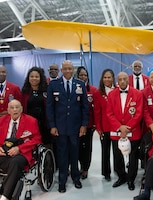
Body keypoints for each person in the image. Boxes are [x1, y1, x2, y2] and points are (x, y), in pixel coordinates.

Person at [0, 99, 41, 200]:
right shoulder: (0, 121)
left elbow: (36, 139)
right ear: (8, 110)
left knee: (15, 163)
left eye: (17, 107)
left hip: (19, 154)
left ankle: (6, 197)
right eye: (12, 107)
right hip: (0, 153)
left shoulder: (31, 121)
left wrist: (19, 148)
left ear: (21, 109)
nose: (15, 109)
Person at [46, 60, 89, 193]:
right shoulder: (53, 85)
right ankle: (62, 181)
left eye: (70, 68)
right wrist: (52, 125)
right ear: (61, 70)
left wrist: (84, 125)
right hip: (60, 127)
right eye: (65, 69)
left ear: (73, 70)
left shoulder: (80, 84)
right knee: (62, 154)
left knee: (75, 153)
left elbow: (85, 107)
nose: (68, 71)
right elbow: (50, 107)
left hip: (76, 127)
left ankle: (76, 177)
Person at [107, 72, 143, 191]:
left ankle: (131, 179)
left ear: (128, 80)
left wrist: (127, 128)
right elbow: (109, 113)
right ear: (117, 81)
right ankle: (121, 176)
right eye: (120, 79)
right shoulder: (111, 94)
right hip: (116, 131)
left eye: (124, 79)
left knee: (133, 157)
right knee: (117, 156)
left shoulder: (137, 94)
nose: (122, 81)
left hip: (133, 131)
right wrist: (120, 127)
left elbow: (138, 113)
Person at [76, 66, 98, 179]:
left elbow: (95, 109)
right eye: (81, 75)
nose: (83, 77)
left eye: (85, 75)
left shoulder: (93, 90)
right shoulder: (73, 88)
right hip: (75, 124)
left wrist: (95, 124)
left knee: (87, 147)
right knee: (78, 147)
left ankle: (85, 168)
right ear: (77, 76)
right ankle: (80, 166)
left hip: (89, 125)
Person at [94, 69, 116, 181]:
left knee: (118, 151)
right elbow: (97, 112)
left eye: (109, 77)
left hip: (116, 126)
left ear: (113, 78)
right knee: (105, 150)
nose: (107, 79)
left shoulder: (117, 90)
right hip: (105, 127)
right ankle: (106, 172)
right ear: (102, 79)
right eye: (105, 77)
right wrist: (99, 128)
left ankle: (119, 170)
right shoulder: (98, 93)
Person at [21, 66, 51, 145]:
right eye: (32, 76)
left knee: (45, 145)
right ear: (28, 78)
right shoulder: (24, 92)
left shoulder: (47, 90)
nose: (34, 78)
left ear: (41, 78)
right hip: (29, 125)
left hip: (44, 125)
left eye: (37, 76)